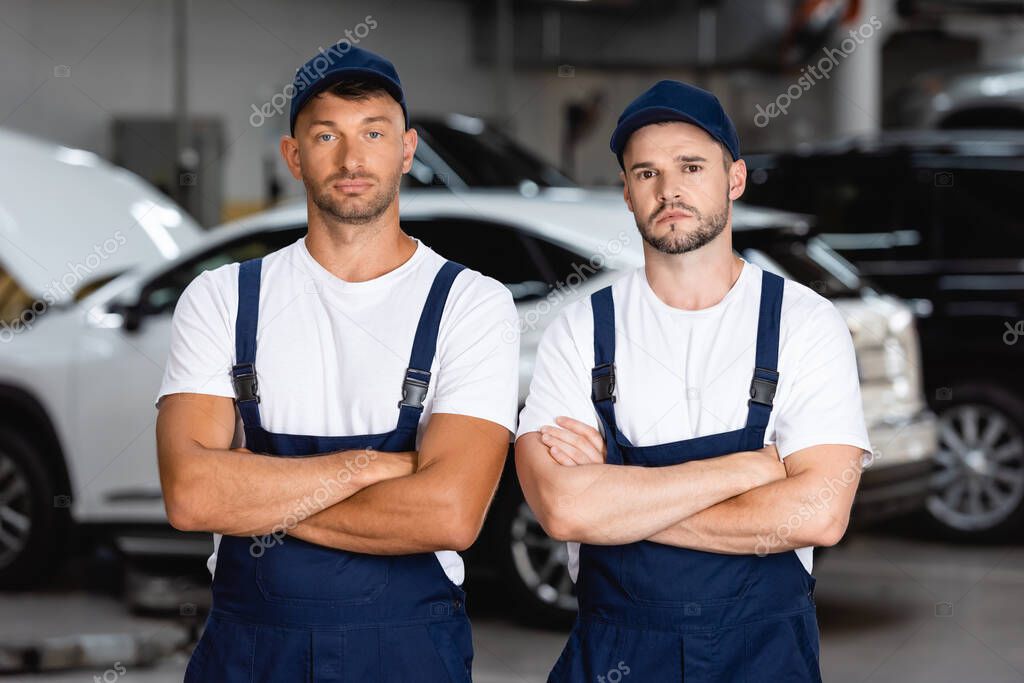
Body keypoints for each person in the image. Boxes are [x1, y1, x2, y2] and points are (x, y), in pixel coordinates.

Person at [155, 44, 519, 682]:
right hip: (249, 654)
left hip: (407, 656)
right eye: (326, 135)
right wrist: (369, 469)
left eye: (373, 133)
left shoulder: (471, 303)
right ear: (293, 156)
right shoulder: (222, 298)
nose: (352, 159)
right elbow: (191, 495)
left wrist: (251, 491)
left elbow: (449, 514)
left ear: (406, 149)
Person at [515, 79, 872, 682]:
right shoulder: (578, 330)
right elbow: (563, 510)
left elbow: (817, 514)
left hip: (764, 659)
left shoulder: (805, 323)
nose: (669, 189)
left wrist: (621, 498)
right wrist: (749, 470)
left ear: (734, 179)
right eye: (646, 173)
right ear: (626, 193)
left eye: (690, 166)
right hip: (616, 656)